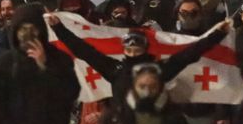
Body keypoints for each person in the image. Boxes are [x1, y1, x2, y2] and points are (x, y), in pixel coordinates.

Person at [50, 14, 231, 103]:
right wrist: (58, 28)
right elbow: (83, 50)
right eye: (130, 50)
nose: (133, 54)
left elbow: (189, 54)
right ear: (125, 51)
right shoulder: (115, 70)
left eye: (137, 50)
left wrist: (217, 35)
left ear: (145, 49)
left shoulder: (157, 70)